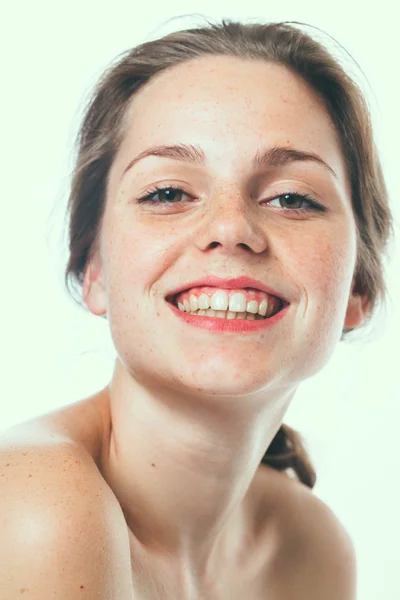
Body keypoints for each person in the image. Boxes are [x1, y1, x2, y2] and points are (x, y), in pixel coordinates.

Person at [0, 17, 394, 600]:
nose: (231, 228)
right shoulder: (35, 506)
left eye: (292, 197)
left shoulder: (309, 547)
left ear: (359, 287)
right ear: (95, 271)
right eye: (168, 193)